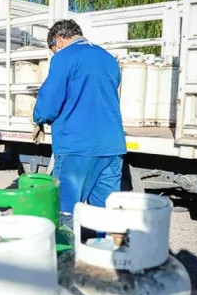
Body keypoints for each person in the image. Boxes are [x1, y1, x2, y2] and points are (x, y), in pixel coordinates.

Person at [33, 19, 127, 214]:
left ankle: (68, 245)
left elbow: (50, 102)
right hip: (112, 146)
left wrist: (38, 118)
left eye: (53, 49)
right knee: (108, 213)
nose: (54, 53)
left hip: (77, 146)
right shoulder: (109, 59)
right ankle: (109, 244)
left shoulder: (64, 57)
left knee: (66, 211)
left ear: (58, 40)